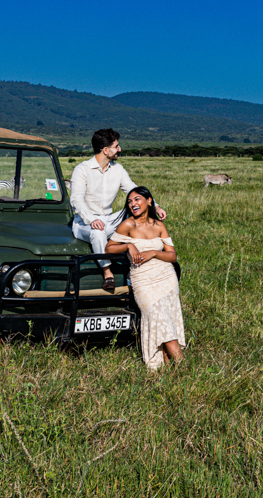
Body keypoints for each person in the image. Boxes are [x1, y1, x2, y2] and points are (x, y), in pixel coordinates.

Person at [69, 128, 163, 290]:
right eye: (116, 146)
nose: (119, 149)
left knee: (134, 219)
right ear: (105, 150)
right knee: (97, 232)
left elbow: (134, 191)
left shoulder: (118, 169)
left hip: (108, 219)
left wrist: (155, 205)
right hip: (84, 223)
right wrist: (92, 219)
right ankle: (108, 273)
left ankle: (136, 271)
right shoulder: (82, 169)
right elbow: (76, 199)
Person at [106, 186, 185, 369]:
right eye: (130, 201)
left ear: (149, 201)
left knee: (167, 319)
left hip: (166, 278)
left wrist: (153, 253)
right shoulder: (128, 225)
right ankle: (183, 368)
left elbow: (172, 256)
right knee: (157, 316)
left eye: (137, 199)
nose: (133, 204)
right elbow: (109, 248)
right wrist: (127, 246)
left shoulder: (159, 226)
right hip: (143, 280)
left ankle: (169, 368)